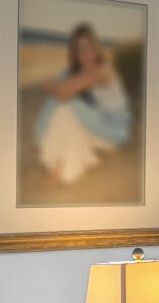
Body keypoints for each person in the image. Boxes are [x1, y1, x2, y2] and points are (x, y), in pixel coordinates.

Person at [35, 24, 133, 185]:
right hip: (100, 124)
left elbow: (61, 91)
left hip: (113, 131)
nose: (84, 54)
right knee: (64, 105)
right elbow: (49, 85)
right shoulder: (80, 71)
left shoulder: (102, 70)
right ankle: (87, 158)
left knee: (67, 105)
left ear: (95, 48)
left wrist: (61, 87)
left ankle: (62, 169)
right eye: (79, 50)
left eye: (87, 48)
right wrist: (60, 86)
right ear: (75, 53)